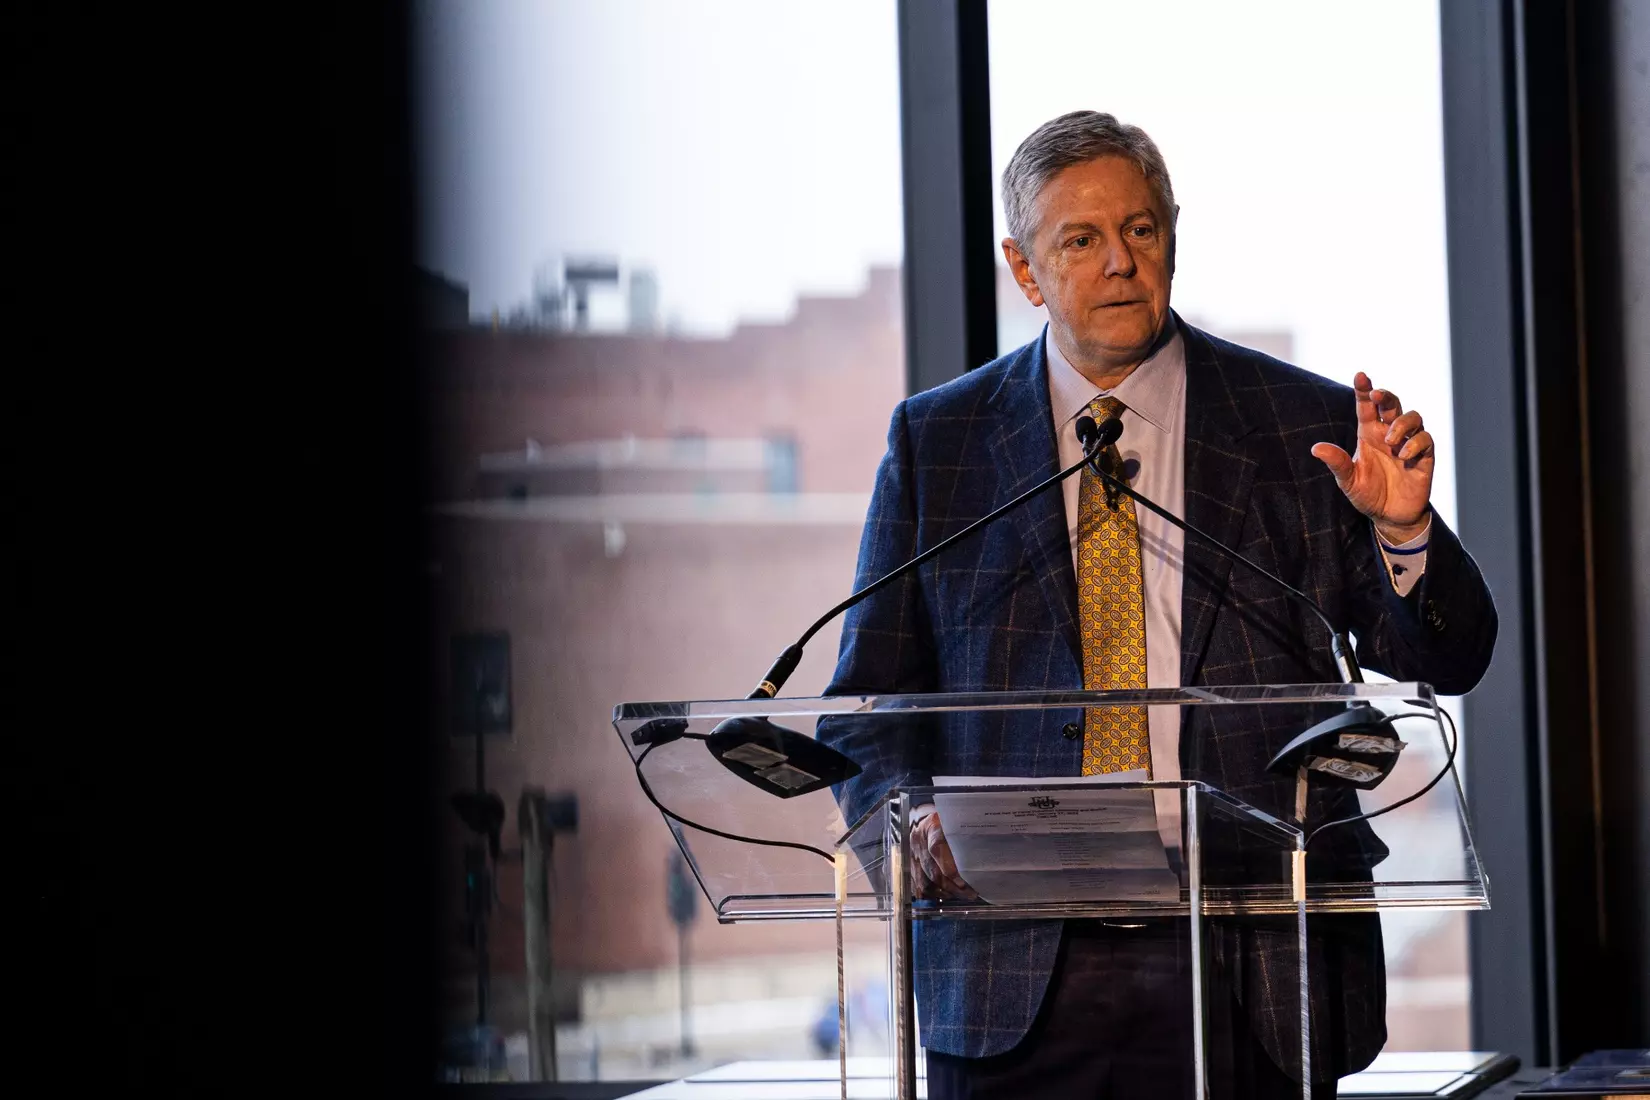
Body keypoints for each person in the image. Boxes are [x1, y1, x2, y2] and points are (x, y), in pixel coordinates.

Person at [818, 111, 1496, 1099]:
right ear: (1025, 269)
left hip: (1252, 956)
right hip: (1013, 973)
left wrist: (1402, 529)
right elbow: (865, 706)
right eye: (1080, 240)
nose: (1120, 263)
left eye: (1140, 230)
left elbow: (1451, 655)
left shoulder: (1300, 427)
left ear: (1172, 231)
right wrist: (908, 827)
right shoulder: (942, 442)